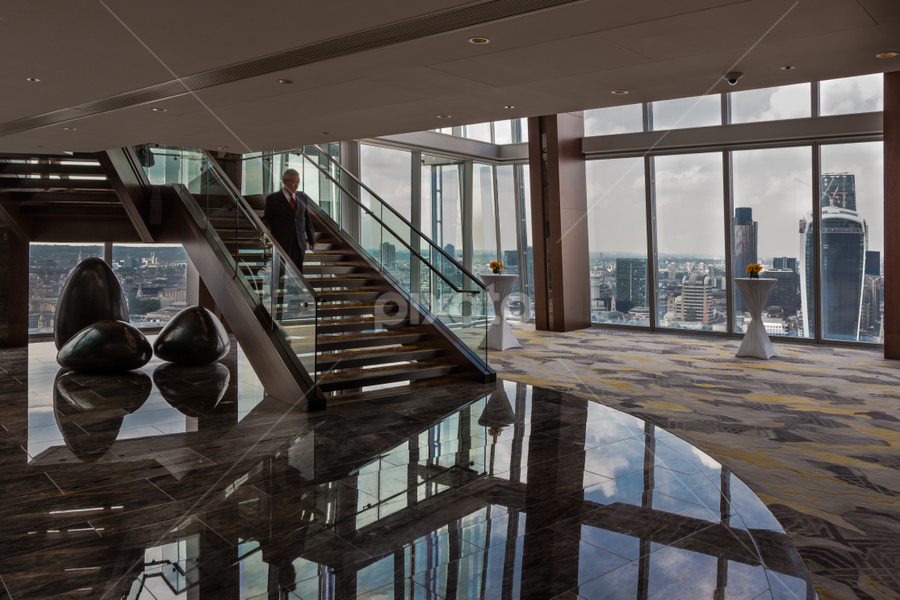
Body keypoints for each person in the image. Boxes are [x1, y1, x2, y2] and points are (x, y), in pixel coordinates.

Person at [262, 168, 316, 272]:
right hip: (282, 241)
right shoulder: (273, 199)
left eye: (298, 183)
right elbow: (267, 217)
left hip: (299, 242)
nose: (296, 186)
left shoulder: (302, 197)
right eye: (294, 183)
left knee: (298, 273)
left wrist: (311, 239)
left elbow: (307, 219)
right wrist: (264, 226)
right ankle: (278, 288)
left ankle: (295, 289)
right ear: (284, 182)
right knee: (280, 272)